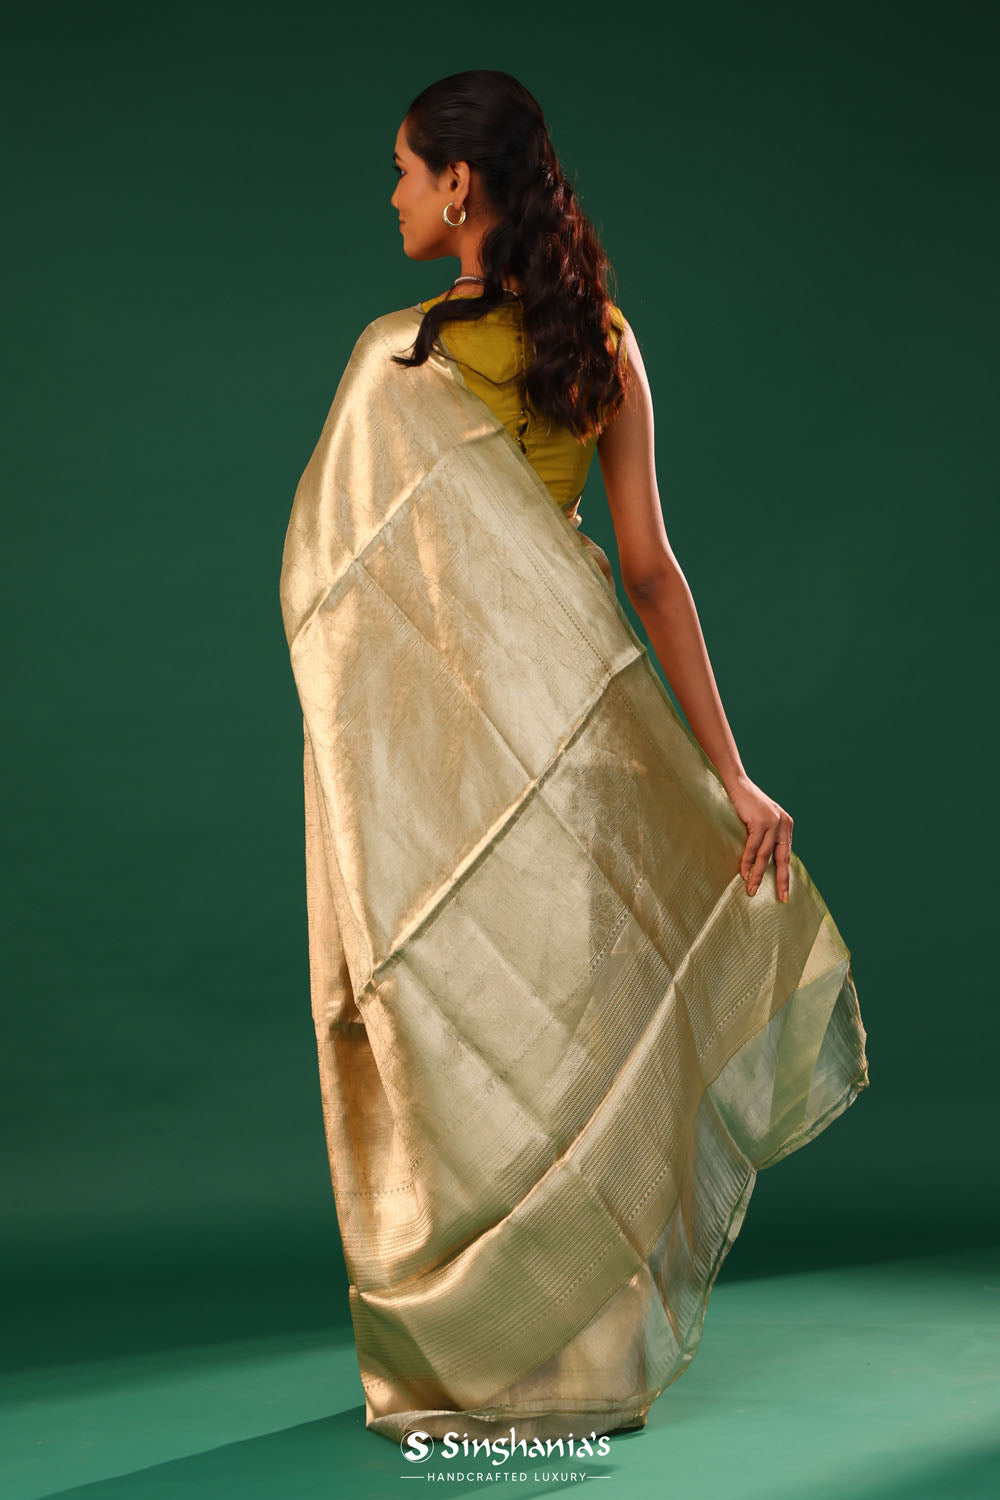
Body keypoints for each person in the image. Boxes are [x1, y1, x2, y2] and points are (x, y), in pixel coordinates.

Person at [279, 70, 870, 1449]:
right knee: (576, 1038)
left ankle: (482, 1355)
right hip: (581, 742)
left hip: (461, 773)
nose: (392, 193)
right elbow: (649, 571)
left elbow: (333, 580)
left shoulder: (398, 360)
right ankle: (581, 1353)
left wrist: (731, 778)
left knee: (468, 1031)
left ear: (459, 185)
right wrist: (728, 770)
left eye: (404, 169)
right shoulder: (602, 337)